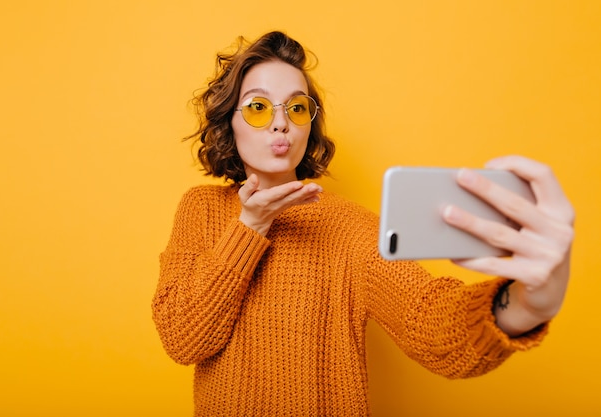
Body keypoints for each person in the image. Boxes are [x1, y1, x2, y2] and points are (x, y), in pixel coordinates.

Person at [151, 31, 574, 416]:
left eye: (297, 107)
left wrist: (525, 305)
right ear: (231, 122)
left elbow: (431, 323)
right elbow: (183, 338)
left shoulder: (349, 227)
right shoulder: (202, 209)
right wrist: (250, 228)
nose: (281, 122)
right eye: (259, 107)